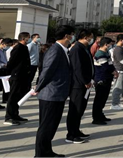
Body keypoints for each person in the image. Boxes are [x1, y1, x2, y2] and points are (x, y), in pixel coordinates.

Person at [33, 25, 75, 158]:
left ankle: (47, 152)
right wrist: (38, 87)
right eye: (72, 34)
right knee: (46, 126)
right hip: (51, 94)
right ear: (66, 36)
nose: (72, 37)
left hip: (58, 93)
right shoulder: (55, 50)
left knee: (51, 126)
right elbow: (47, 71)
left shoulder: (62, 50)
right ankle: (40, 155)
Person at [66, 29, 94, 143]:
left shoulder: (84, 48)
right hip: (78, 84)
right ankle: (71, 134)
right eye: (91, 37)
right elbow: (77, 68)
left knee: (80, 109)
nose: (92, 39)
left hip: (84, 84)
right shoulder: (77, 48)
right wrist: (85, 81)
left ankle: (76, 130)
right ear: (85, 37)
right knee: (75, 110)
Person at [4, 32, 31, 125]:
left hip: (23, 76)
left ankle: (15, 114)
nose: (29, 40)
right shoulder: (18, 48)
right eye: (28, 38)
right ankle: (9, 117)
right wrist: (8, 75)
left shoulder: (24, 47)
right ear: (23, 38)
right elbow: (11, 62)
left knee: (18, 97)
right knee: (13, 97)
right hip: (16, 76)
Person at [92, 37, 114, 125]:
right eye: (110, 44)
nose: (111, 46)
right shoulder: (100, 53)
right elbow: (106, 66)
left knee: (103, 99)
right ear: (106, 44)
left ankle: (100, 115)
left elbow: (110, 64)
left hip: (107, 78)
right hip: (101, 79)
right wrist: (113, 72)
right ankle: (96, 118)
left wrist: (114, 70)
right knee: (99, 99)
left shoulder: (106, 52)